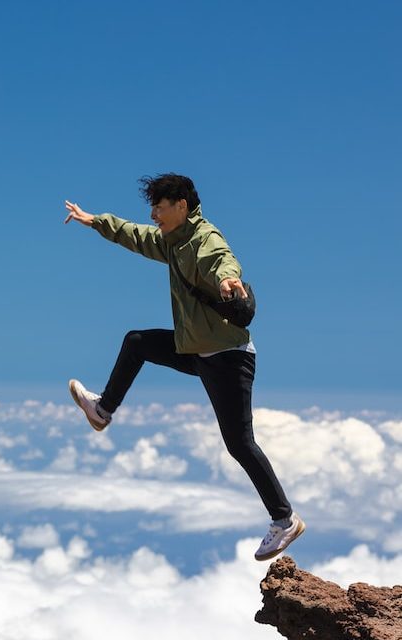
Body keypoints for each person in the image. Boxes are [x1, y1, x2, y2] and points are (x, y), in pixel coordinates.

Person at [62, 173, 304, 561]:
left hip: (228, 359)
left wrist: (228, 281)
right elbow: (136, 235)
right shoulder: (171, 242)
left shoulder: (203, 239)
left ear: (182, 206)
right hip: (196, 350)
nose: (154, 213)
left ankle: (285, 520)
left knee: (239, 443)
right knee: (137, 342)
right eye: (153, 207)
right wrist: (95, 221)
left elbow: (222, 259)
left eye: (160, 206)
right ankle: (103, 410)